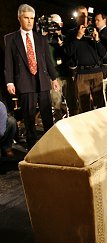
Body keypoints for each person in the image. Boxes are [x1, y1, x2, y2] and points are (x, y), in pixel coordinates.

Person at [4, 4, 60, 150]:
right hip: (24, 81)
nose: (30, 21)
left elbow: (48, 60)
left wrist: (54, 78)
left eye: (32, 18)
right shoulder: (10, 39)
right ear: (19, 18)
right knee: (29, 117)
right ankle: (32, 148)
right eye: (26, 18)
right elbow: (8, 62)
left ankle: (51, 146)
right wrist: (9, 81)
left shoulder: (41, 39)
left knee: (47, 115)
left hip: (42, 80)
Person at [65, 6, 106, 113]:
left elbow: (103, 54)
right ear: (76, 16)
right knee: (84, 106)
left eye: (86, 15)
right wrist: (78, 37)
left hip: (97, 72)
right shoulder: (72, 33)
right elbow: (68, 52)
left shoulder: (94, 30)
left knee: (100, 105)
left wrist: (97, 40)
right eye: (81, 15)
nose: (84, 18)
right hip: (81, 74)